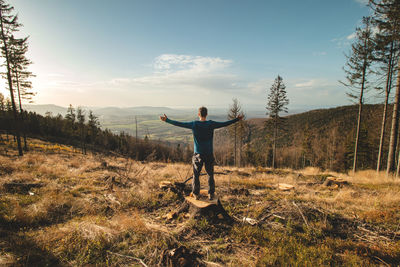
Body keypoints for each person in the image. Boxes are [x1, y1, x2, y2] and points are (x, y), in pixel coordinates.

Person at [160, 106, 243, 200]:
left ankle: (196, 193)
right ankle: (211, 193)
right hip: (209, 154)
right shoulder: (211, 124)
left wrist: (167, 120)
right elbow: (225, 124)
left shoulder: (194, 124)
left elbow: (180, 124)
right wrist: (237, 119)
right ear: (206, 114)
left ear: (198, 114)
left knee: (196, 174)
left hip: (197, 154)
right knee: (210, 174)